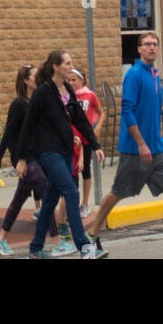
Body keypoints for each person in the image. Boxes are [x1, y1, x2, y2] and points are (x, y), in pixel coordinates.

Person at [85, 32, 163, 257]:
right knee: (118, 192)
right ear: (138, 49)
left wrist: (152, 141)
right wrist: (140, 143)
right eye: (147, 44)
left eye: (155, 44)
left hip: (157, 148)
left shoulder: (155, 74)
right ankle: (93, 234)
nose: (152, 48)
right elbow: (127, 109)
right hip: (135, 149)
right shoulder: (134, 75)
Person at [16, 48, 107, 260]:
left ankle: (36, 249)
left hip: (66, 151)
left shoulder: (66, 87)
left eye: (71, 63)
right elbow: (27, 126)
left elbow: (80, 120)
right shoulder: (42, 92)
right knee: (71, 192)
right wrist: (21, 158)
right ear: (55, 67)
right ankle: (84, 247)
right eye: (66, 63)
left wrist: (95, 145)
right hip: (48, 152)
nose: (70, 66)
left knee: (49, 200)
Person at [0, 63, 62, 256]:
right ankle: (57, 241)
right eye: (35, 76)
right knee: (45, 191)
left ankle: (1, 239)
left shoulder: (37, 101)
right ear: (26, 81)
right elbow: (8, 134)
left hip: (37, 156)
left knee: (19, 199)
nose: (39, 79)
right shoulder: (18, 104)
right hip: (23, 158)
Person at [72, 67, 105, 214]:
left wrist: (97, 127)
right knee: (72, 170)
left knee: (84, 169)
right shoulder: (67, 96)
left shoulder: (89, 95)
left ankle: (84, 203)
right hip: (72, 136)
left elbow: (101, 112)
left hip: (85, 135)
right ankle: (73, 202)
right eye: (69, 80)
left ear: (82, 80)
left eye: (74, 80)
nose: (71, 83)